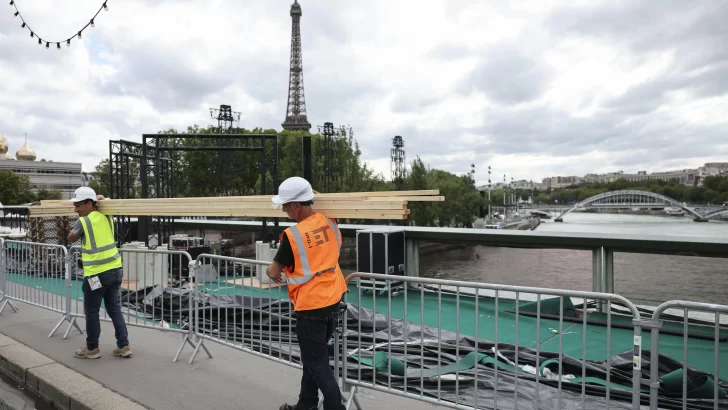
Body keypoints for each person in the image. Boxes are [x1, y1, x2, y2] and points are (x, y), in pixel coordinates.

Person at [266, 177, 347, 410]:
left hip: (310, 305)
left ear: (296, 206)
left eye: (285, 205)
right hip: (333, 299)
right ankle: (306, 403)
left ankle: (335, 407)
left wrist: (271, 272)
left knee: (316, 361)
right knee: (313, 359)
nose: (283, 209)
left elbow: (273, 271)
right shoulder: (329, 222)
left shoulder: (293, 236)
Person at [67, 186, 132, 359]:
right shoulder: (107, 215)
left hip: (96, 275)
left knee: (92, 311)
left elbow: (71, 237)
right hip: (115, 270)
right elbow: (106, 200)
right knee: (115, 309)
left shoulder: (83, 221)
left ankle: (92, 349)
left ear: (89, 203)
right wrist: (100, 197)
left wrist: (72, 232)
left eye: (78, 205)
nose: (76, 209)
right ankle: (124, 346)